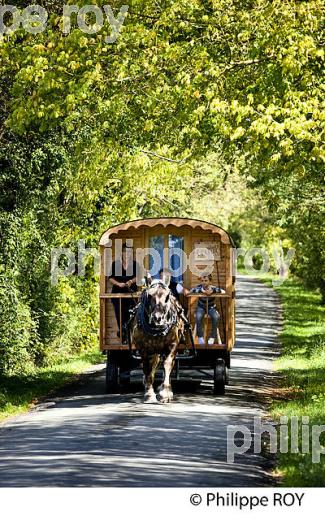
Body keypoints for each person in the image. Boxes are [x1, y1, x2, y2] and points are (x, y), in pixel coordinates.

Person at [109, 244, 139, 343]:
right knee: (120, 315)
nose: (127, 254)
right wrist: (119, 284)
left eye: (130, 252)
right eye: (126, 252)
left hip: (131, 294)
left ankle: (130, 335)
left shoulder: (135, 264)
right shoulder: (115, 264)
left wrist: (130, 282)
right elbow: (110, 278)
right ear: (122, 252)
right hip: (117, 294)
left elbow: (138, 277)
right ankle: (123, 334)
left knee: (131, 315)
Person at [188, 273, 225, 345]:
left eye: (206, 280)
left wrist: (213, 292)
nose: (204, 282)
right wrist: (202, 291)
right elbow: (191, 291)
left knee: (216, 316)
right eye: (202, 281)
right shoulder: (199, 287)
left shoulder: (213, 288)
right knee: (198, 316)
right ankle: (200, 337)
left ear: (210, 281)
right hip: (201, 307)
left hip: (211, 307)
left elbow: (223, 292)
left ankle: (212, 337)